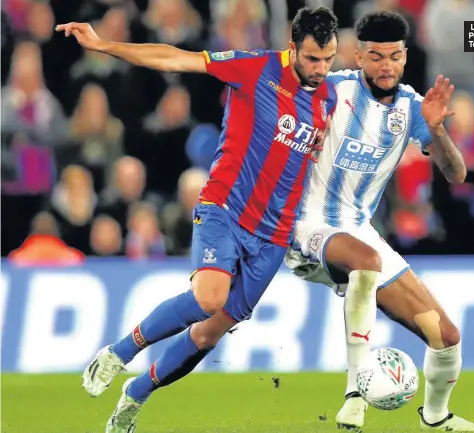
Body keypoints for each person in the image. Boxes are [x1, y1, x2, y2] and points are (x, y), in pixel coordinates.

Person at [56, 7, 338, 432]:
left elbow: (307, 160)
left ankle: (137, 393)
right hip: (225, 208)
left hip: (274, 236)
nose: (321, 69)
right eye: (313, 59)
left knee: (207, 335)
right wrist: (104, 46)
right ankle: (119, 352)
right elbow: (173, 57)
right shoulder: (255, 67)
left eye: (329, 59)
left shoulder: (328, 97)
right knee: (208, 297)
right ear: (293, 46)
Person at [283, 12, 474, 432]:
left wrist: (437, 131)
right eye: (375, 56)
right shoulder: (332, 89)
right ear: (358, 56)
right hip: (307, 224)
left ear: (406, 57)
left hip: (358, 230)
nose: (386, 66)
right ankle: (355, 394)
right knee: (364, 262)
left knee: (446, 339)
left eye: (394, 56)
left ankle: (436, 417)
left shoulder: (414, 108)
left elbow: (457, 174)